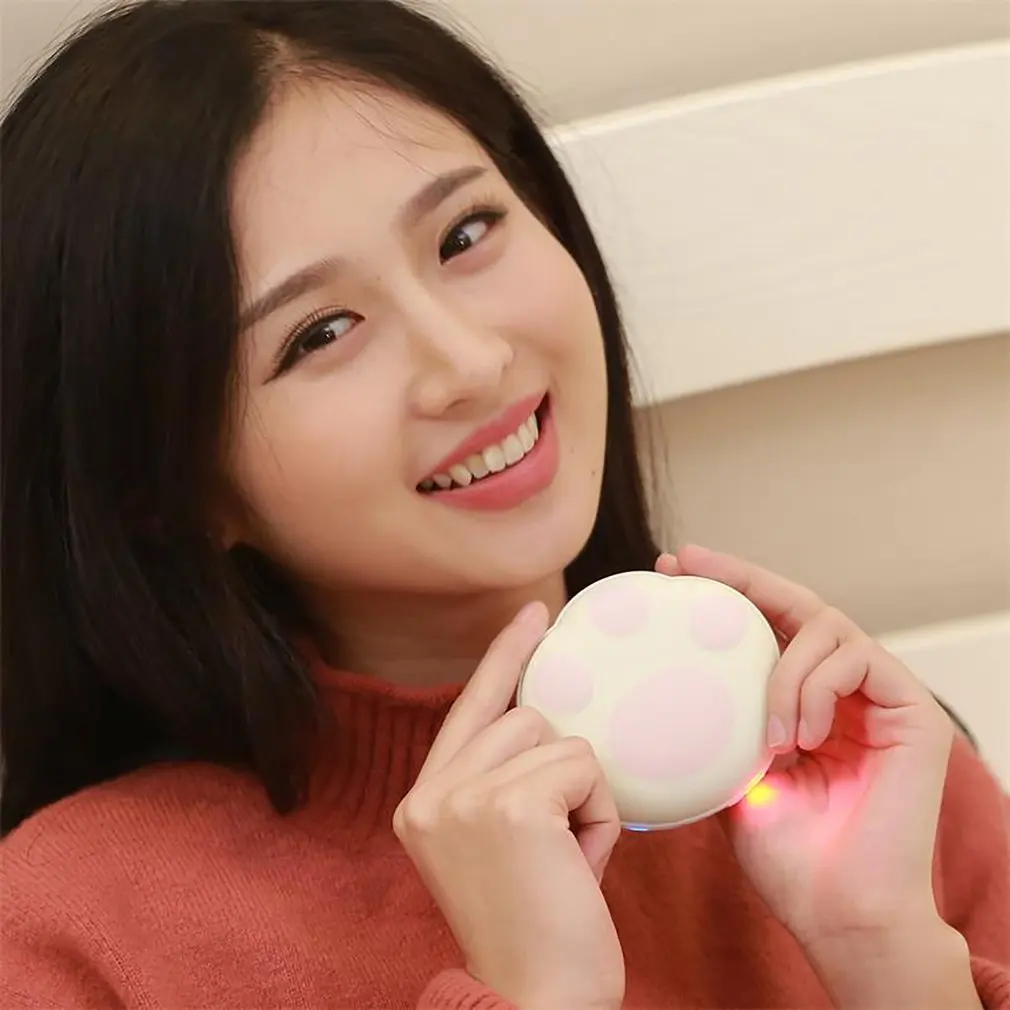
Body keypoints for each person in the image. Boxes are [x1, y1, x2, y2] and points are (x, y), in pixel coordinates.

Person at [1, 2, 1007, 1007]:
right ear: (167, 493)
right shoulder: (68, 937)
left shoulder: (867, 766)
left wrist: (883, 952)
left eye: (465, 233)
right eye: (321, 332)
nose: (470, 361)